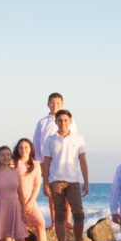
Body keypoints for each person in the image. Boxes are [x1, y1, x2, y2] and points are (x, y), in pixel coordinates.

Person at [41, 110, 89, 241]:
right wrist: (45, 183)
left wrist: (86, 181)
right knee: (60, 217)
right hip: (56, 181)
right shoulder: (50, 140)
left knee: (79, 214)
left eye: (66, 120)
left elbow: (82, 161)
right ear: (55, 122)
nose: (63, 123)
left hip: (73, 181)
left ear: (70, 121)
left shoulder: (79, 138)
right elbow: (47, 162)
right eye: (60, 120)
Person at [31, 92, 78, 229]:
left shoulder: (70, 120)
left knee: (67, 191)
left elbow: (74, 140)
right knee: (52, 193)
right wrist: (39, 161)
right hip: (48, 161)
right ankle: (53, 222)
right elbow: (36, 142)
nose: (54, 105)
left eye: (58, 103)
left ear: (62, 105)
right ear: (48, 104)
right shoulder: (43, 122)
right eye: (52, 103)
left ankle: (67, 220)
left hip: (65, 161)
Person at [13, 137, 55, 241]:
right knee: (15, 230)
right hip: (15, 202)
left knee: (40, 223)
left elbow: (37, 185)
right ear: (17, 149)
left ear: (31, 149)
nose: (23, 150)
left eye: (26, 147)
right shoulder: (13, 163)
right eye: (21, 147)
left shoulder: (36, 164)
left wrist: (31, 201)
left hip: (30, 201)